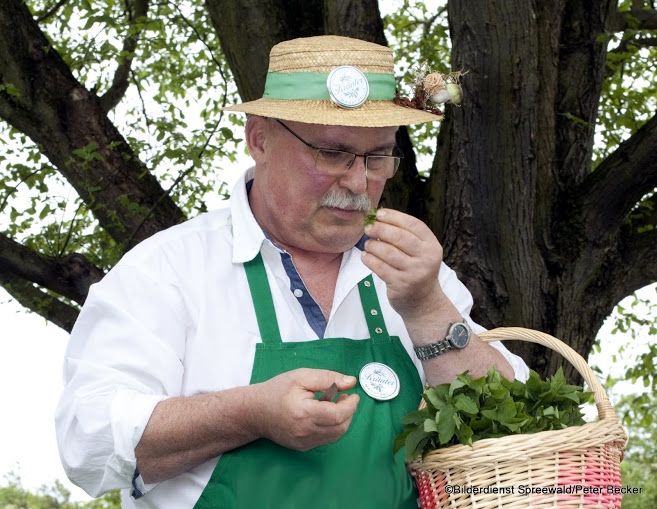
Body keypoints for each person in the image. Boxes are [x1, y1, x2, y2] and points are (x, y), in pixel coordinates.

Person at [56, 35, 528, 508]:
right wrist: (248, 414)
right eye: (332, 152)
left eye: (378, 156)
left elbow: (524, 436)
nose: (359, 182)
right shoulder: (167, 270)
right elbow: (89, 442)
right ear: (259, 139)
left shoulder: (417, 274)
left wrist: (428, 310)